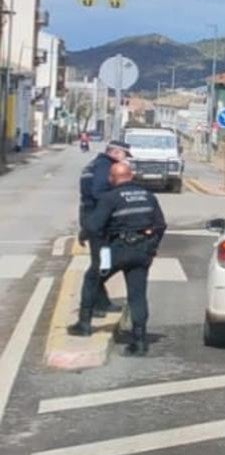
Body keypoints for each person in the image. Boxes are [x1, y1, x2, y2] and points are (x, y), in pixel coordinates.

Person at [68, 161, 166, 356]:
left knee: (92, 279)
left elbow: (94, 226)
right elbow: (160, 225)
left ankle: (84, 324)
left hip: (114, 251)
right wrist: (152, 249)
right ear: (131, 176)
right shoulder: (149, 196)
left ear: (112, 179)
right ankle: (139, 342)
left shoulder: (110, 198)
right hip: (141, 251)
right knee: (137, 295)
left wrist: (90, 238)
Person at [75, 141, 131, 321]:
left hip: (92, 219)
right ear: (114, 152)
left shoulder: (97, 164)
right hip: (98, 221)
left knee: (104, 262)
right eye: (124, 155)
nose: (125, 160)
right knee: (100, 264)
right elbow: (98, 192)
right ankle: (95, 305)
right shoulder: (105, 166)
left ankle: (102, 301)